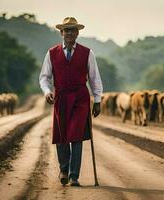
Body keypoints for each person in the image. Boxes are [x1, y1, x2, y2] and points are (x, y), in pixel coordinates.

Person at [39, 17, 103, 186]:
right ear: (61, 33)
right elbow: (44, 78)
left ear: (78, 33)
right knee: (61, 136)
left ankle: (74, 176)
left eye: (73, 30)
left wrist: (97, 100)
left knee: (76, 135)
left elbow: (95, 78)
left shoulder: (87, 53)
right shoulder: (52, 53)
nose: (69, 33)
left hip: (80, 98)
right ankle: (63, 170)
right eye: (66, 30)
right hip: (60, 97)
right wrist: (47, 92)